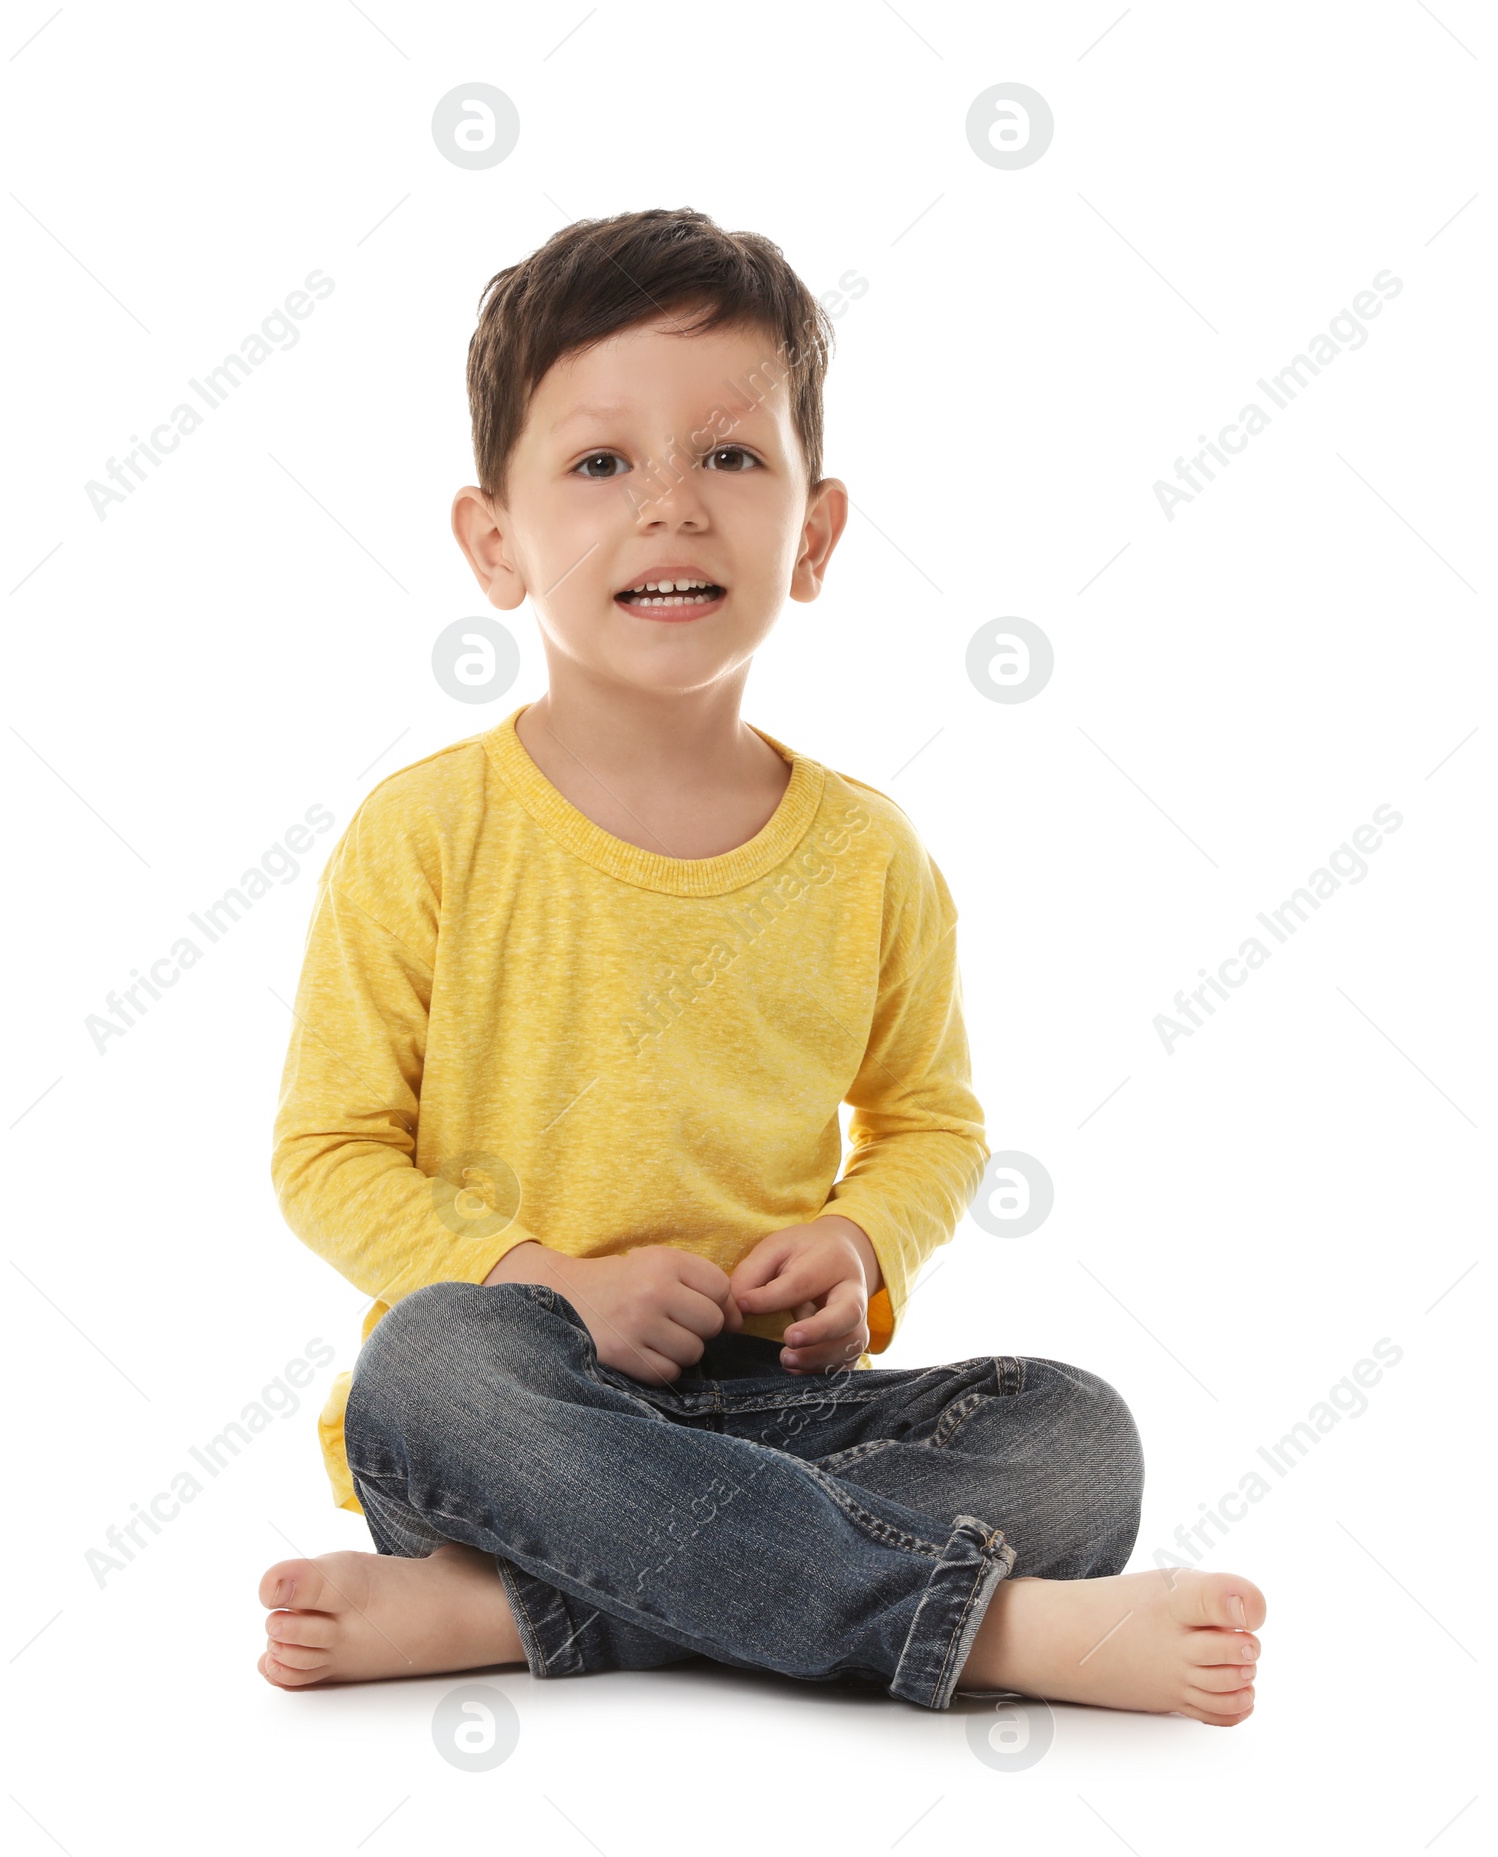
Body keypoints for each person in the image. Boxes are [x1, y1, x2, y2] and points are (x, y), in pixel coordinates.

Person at [256, 207, 1264, 1721]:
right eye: (602, 465)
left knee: (1074, 1435)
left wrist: (863, 1245)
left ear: (816, 532)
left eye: (729, 458)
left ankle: (522, 1610)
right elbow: (328, 1155)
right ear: (495, 542)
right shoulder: (427, 835)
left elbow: (931, 1124)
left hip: (778, 1411)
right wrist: (549, 1286)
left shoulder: (867, 854)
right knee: (430, 1360)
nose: (672, 507)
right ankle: (988, 1634)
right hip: (532, 1419)